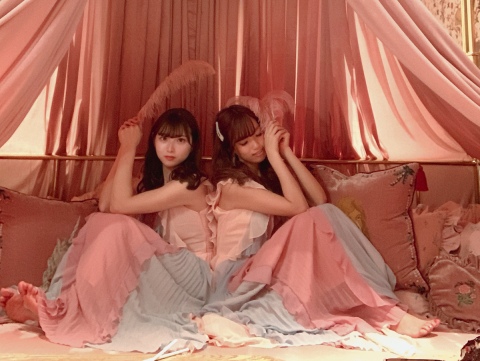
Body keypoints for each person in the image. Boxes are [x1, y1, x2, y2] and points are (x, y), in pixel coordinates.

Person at [205, 104, 439, 343]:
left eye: (258, 135)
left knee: (326, 213)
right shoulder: (230, 188)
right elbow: (299, 208)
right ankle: (388, 314)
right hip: (236, 277)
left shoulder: (266, 176)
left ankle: (380, 303)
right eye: (245, 143)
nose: (256, 145)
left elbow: (319, 199)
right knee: (313, 218)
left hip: (264, 265)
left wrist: (286, 152)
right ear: (231, 150)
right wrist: (274, 156)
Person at [0, 108, 213, 353]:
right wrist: (123, 149)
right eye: (164, 138)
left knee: (119, 226)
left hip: (194, 276)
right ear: (153, 140)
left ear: (193, 146)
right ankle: (58, 307)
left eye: (180, 140)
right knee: (100, 221)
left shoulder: (191, 185)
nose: (171, 148)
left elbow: (120, 206)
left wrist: (130, 146)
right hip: (165, 270)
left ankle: (61, 315)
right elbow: (105, 205)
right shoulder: (152, 186)